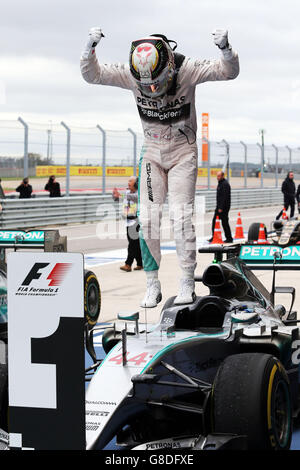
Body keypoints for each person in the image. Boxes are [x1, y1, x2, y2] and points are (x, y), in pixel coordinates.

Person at [81, 28, 239, 307]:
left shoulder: (188, 69)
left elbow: (228, 72)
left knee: (180, 217)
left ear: (168, 65)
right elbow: (92, 75)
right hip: (152, 153)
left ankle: (187, 281)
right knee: (147, 219)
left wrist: (226, 49)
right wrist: (89, 47)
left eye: (157, 82)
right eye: (147, 86)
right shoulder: (130, 75)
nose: (153, 90)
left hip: (182, 153)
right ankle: (152, 282)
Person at [120, 176, 143, 272]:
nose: (128, 182)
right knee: (135, 244)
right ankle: (140, 263)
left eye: (131, 181)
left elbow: (133, 197)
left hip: (136, 221)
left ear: (136, 184)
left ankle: (128, 264)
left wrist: (120, 195)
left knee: (132, 244)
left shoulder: (139, 194)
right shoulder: (127, 192)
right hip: (128, 221)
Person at [209, 171, 233, 243]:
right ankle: (214, 236)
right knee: (215, 222)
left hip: (223, 208)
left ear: (223, 176)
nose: (217, 177)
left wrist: (221, 208)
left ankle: (229, 238)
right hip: (219, 206)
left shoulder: (225, 184)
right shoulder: (220, 183)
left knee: (224, 223)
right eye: (217, 176)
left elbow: (224, 197)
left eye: (219, 176)